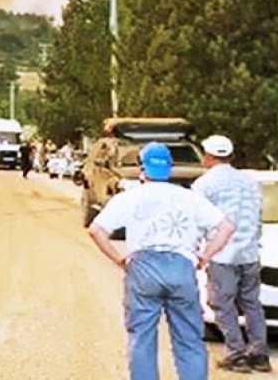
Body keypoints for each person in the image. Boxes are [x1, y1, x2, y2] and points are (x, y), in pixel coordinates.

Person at [88, 142, 236, 380]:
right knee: (189, 339)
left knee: (142, 338)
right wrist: (205, 256)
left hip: (143, 267)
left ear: (141, 168)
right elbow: (226, 227)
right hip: (181, 266)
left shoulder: (130, 197)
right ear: (169, 168)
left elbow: (96, 230)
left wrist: (119, 259)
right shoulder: (189, 197)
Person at [191, 135, 270, 373]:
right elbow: (258, 216)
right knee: (251, 303)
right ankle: (259, 354)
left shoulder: (204, 184)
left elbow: (197, 220)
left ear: (207, 157)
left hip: (222, 253)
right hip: (249, 252)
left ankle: (236, 354)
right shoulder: (250, 181)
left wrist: (198, 251)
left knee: (222, 303)